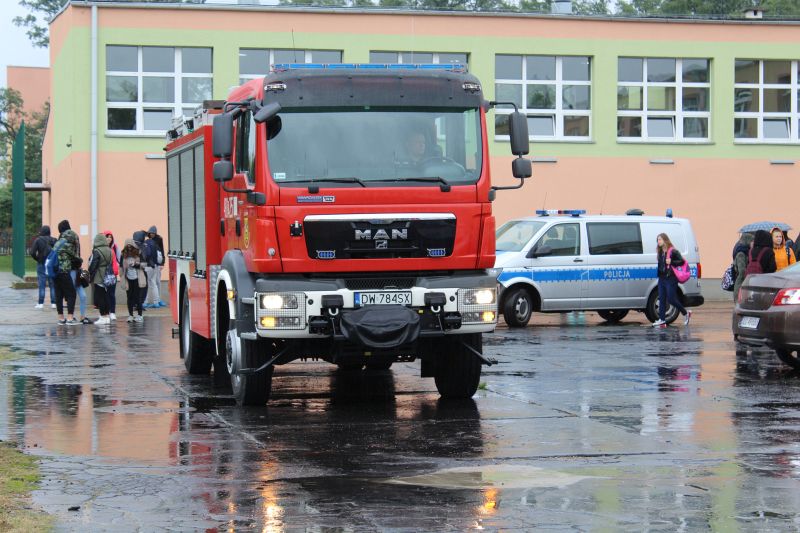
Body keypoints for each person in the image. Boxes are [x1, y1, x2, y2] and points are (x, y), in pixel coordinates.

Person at [653, 233, 690, 328]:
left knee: (671, 299)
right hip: (662, 278)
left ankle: (686, 313)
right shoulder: (660, 251)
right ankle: (662, 320)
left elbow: (682, 261)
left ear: (665, 240)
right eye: (657, 240)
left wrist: (671, 262)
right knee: (661, 299)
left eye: (660, 239)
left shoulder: (673, 251)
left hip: (671, 279)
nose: (658, 241)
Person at [54, 220, 81, 326]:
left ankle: (61, 318)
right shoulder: (73, 237)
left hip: (55, 271)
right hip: (64, 271)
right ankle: (70, 318)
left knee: (59, 294)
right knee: (71, 294)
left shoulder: (59, 241)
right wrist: (79, 261)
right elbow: (76, 255)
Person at [88, 233, 113, 325]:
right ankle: (107, 316)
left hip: (99, 275)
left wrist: (90, 273)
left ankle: (103, 316)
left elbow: (93, 264)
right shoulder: (109, 250)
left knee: (100, 297)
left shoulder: (97, 251)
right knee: (106, 296)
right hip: (107, 275)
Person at [29, 225, 56, 309]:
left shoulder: (38, 240)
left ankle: (41, 303)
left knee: (42, 284)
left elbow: (32, 252)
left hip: (41, 264)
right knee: (52, 284)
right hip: (51, 264)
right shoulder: (54, 240)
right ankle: (54, 303)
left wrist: (37, 259)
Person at [120, 239, 146, 322]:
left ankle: (140, 315)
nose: (129, 248)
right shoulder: (123, 255)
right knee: (129, 297)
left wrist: (136, 265)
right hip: (128, 279)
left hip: (137, 278)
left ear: (133, 246)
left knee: (138, 297)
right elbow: (121, 266)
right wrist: (121, 275)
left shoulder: (138, 253)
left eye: (130, 246)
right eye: (127, 247)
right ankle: (130, 315)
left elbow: (144, 264)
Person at [143, 226, 166, 308]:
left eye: (153, 233)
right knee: (153, 283)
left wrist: (162, 262)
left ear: (155, 233)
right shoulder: (147, 240)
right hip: (152, 264)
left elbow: (162, 251)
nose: (152, 234)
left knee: (157, 282)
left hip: (156, 263)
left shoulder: (159, 239)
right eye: (150, 233)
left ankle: (158, 300)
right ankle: (156, 301)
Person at [103, 230, 120, 321]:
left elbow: (119, 258)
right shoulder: (100, 248)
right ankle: (106, 312)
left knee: (111, 293)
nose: (109, 239)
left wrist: (117, 267)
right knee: (104, 294)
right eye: (107, 237)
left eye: (110, 237)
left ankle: (112, 312)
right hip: (103, 274)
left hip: (112, 274)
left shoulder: (115, 247)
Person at [732, 233, 754, 300]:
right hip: (740, 282)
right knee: (739, 300)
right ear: (747, 241)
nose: (753, 243)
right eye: (752, 241)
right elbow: (742, 271)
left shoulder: (747, 252)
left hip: (743, 281)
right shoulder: (741, 254)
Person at [132, 230, 150, 313]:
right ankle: (138, 304)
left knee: (139, 287)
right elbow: (146, 258)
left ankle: (137, 304)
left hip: (136, 270)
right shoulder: (141, 246)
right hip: (140, 270)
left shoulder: (134, 245)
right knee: (142, 287)